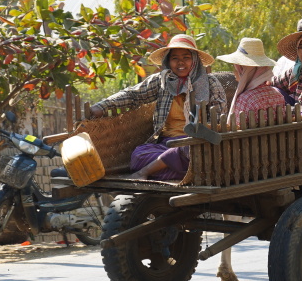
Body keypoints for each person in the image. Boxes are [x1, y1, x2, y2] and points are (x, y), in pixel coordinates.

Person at [89, 33, 226, 180]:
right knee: (137, 157)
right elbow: (133, 95)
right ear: (168, 61)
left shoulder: (210, 82)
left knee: (190, 151)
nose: (180, 63)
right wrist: (103, 106)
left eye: (186, 57)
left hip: (196, 144)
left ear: (195, 60)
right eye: (175, 58)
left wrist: (198, 133)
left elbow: (219, 119)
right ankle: (182, 172)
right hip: (167, 144)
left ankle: (149, 171)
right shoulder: (162, 81)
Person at [216, 37, 285, 119]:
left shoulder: (245, 100)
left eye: (235, 67)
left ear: (241, 69)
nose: (234, 72)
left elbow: (237, 129)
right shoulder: (278, 96)